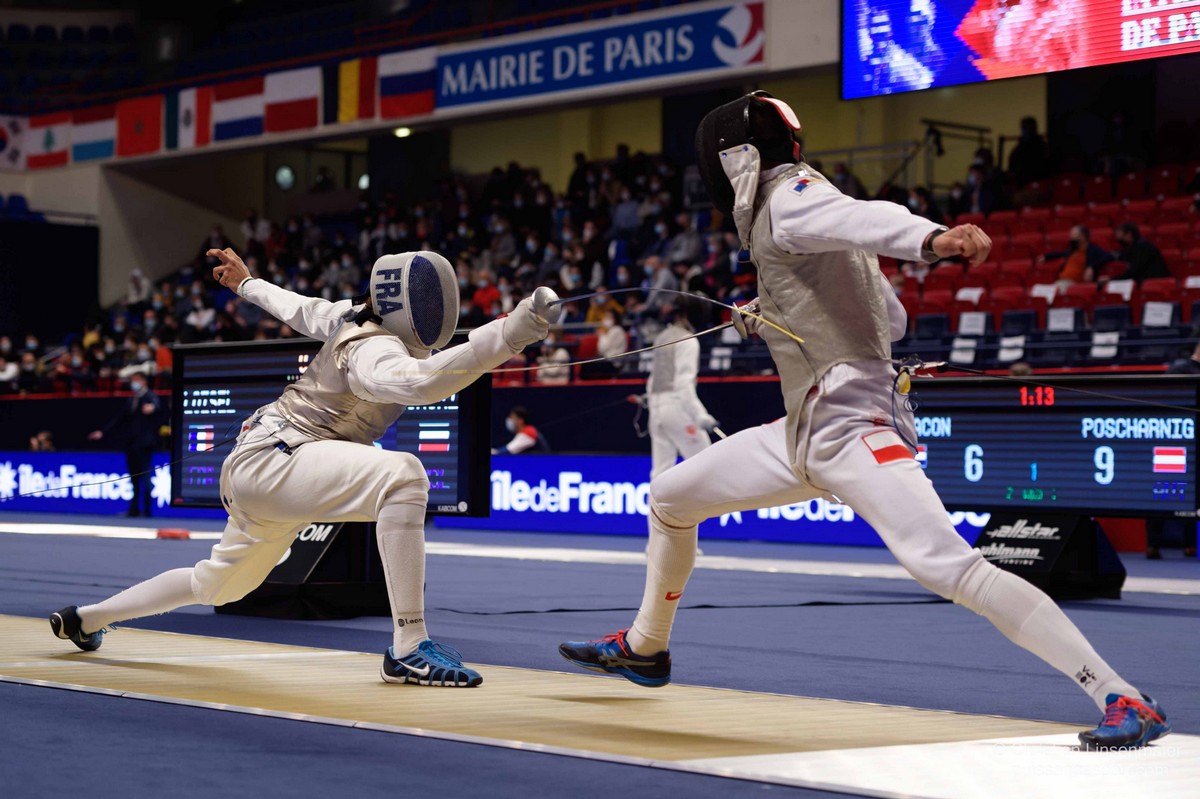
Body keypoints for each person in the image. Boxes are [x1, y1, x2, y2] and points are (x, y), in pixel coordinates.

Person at [559, 91, 1170, 751]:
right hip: (804, 430)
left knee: (951, 568)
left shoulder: (790, 197)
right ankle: (647, 646)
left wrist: (932, 239)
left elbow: (865, 216)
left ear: (736, 160)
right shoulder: (794, 217)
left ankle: (1121, 694)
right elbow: (892, 320)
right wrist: (773, 311)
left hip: (854, 426)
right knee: (671, 497)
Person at [52, 247, 552, 690]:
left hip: (270, 466)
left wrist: (248, 284)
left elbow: (298, 306)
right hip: (278, 458)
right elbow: (419, 382)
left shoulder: (349, 317)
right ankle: (409, 646)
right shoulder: (371, 347)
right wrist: (510, 334)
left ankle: (86, 619)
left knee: (221, 585)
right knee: (404, 476)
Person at [634, 303, 717, 480]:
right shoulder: (688, 340)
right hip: (676, 408)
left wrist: (651, 400)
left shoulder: (661, 337)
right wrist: (699, 414)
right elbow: (683, 383)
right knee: (705, 465)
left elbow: (653, 379)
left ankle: (656, 500)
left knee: (661, 473)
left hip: (656, 411)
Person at [1145, 342, 1200, 559]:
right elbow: (1165, 397)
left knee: (1193, 493)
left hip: (1195, 442)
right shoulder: (1181, 368)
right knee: (1162, 491)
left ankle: (1190, 544)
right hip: (1173, 440)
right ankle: (1153, 544)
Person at [88, 373, 164, 517]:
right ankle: (133, 509)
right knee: (134, 477)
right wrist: (103, 432)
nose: (133, 383)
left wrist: (153, 408)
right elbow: (119, 418)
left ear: (144, 381)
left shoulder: (150, 396)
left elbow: (157, 406)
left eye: (136, 380)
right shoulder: (132, 399)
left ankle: (147, 510)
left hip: (145, 444)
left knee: (146, 476)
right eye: (132, 381)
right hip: (131, 444)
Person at [1039, 225, 1112, 287]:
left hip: (1075, 284)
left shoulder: (1092, 250)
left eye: (1074, 234)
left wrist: (1092, 267)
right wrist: (1046, 257)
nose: (1071, 237)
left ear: (1083, 236)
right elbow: (1061, 253)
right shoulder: (1073, 250)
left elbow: (1108, 256)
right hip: (1061, 282)